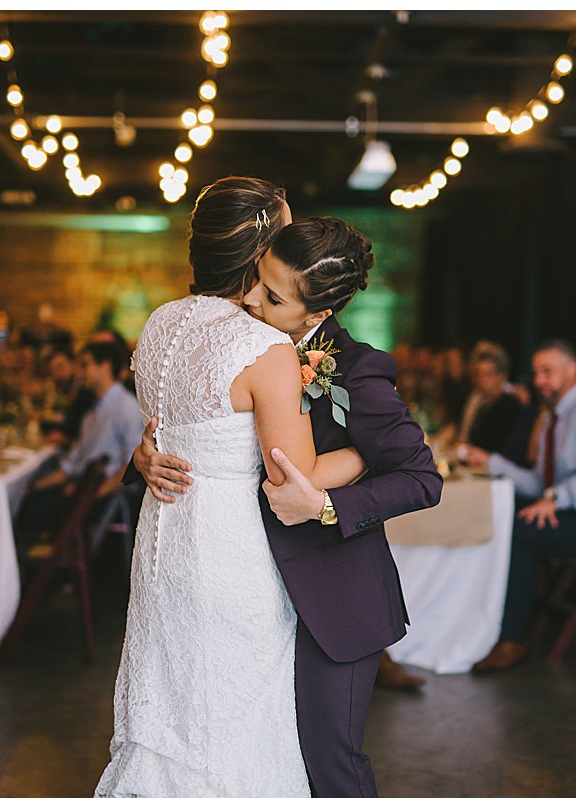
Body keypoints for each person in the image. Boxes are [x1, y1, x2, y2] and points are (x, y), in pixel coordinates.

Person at [127, 214, 443, 796]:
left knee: (329, 764)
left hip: (332, 600)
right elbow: (212, 440)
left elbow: (423, 478)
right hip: (245, 597)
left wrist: (326, 505)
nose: (250, 299)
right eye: (255, 279)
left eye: (271, 296)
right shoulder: (245, 342)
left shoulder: (358, 370)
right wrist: (145, 456)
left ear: (317, 315)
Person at [95, 178, 380, 798]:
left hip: (164, 541)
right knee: (235, 713)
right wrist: (367, 455)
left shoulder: (160, 324)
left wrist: (148, 456)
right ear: (261, 254)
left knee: (171, 700)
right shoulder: (265, 347)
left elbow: (170, 431)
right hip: (229, 553)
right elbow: (293, 477)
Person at [459, 339, 576, 671]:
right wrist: (493, 462)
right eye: (536, 373)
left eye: (548, 371)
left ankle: (512, 638)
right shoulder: (554, 419)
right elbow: (537, 484)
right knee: (505, 520)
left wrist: (557, 497)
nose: (540, 380)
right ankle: (482, 621)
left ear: (572, 370)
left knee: (519, 533)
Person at [16, 341, 143, 535]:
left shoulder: (126, 407)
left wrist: (91, 494)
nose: (80, 372)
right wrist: (31, 486)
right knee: (24, 501)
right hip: (79, 492)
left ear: (105, 366)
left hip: (100, 498)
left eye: (85, 365)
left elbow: (134, 463)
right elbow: (69, 468)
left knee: (28, 513)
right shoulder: (90, 415)